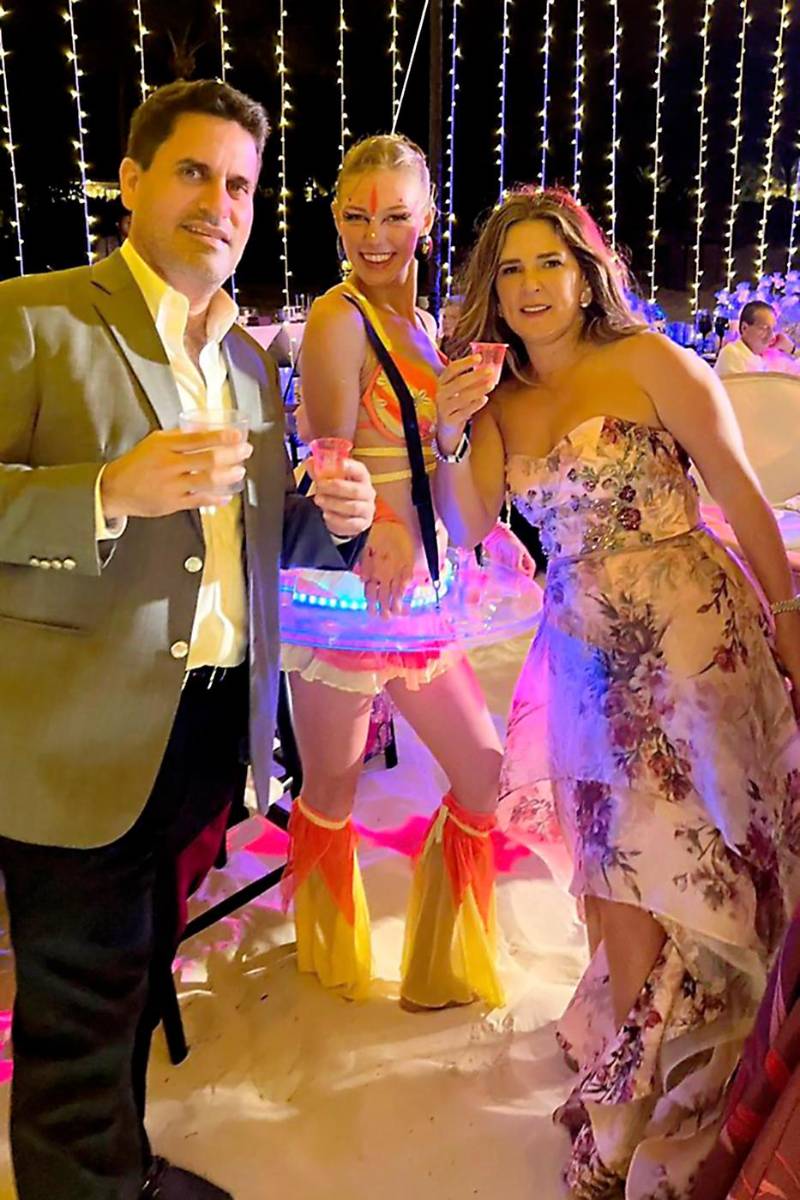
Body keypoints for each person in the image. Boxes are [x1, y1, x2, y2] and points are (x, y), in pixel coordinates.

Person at [0, 79, 375, 1200]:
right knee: (77, 1012)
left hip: (206, 728)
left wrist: (331, 520)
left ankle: (119, 1169)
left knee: (134, 969)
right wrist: (103, 492)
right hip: (71, 739)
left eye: (242, 185)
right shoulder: (34, 316)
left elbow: (257, 538)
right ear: (132, 181)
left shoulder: (248, 361)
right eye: (195, 173)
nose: (221, 202)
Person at [432, 185, 800, 1198]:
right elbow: (467, 525)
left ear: (586, 271)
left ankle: (684, 1093)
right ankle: (635, 1092)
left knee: (702, 858)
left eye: (548, 262)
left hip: (693, 640)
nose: (529, 285)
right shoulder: (496, 397)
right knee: (616, 870)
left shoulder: (649, 360)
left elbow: (737, 488)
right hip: (584, 658)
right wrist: (451, 433)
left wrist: (787, 612)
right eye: (510, 268)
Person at [280, 133, 517, 1012]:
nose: (374, 236)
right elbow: (327, 455)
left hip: (420, 596)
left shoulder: (425, 329)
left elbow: (434, 458)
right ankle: (328, 956)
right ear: (336, 219)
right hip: (348, 593)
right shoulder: (337, 317)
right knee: (332, 785)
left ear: (427, 220)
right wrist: (379, 522)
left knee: (483, 768)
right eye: (356, 216)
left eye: (393, 216)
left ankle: (441, 963)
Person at [715, 299, 799, 377]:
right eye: (764, 328)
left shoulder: (773, 355)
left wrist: (792, 349)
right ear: (744, 328)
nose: (771, 335)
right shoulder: (732, 354)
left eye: (773, 329)